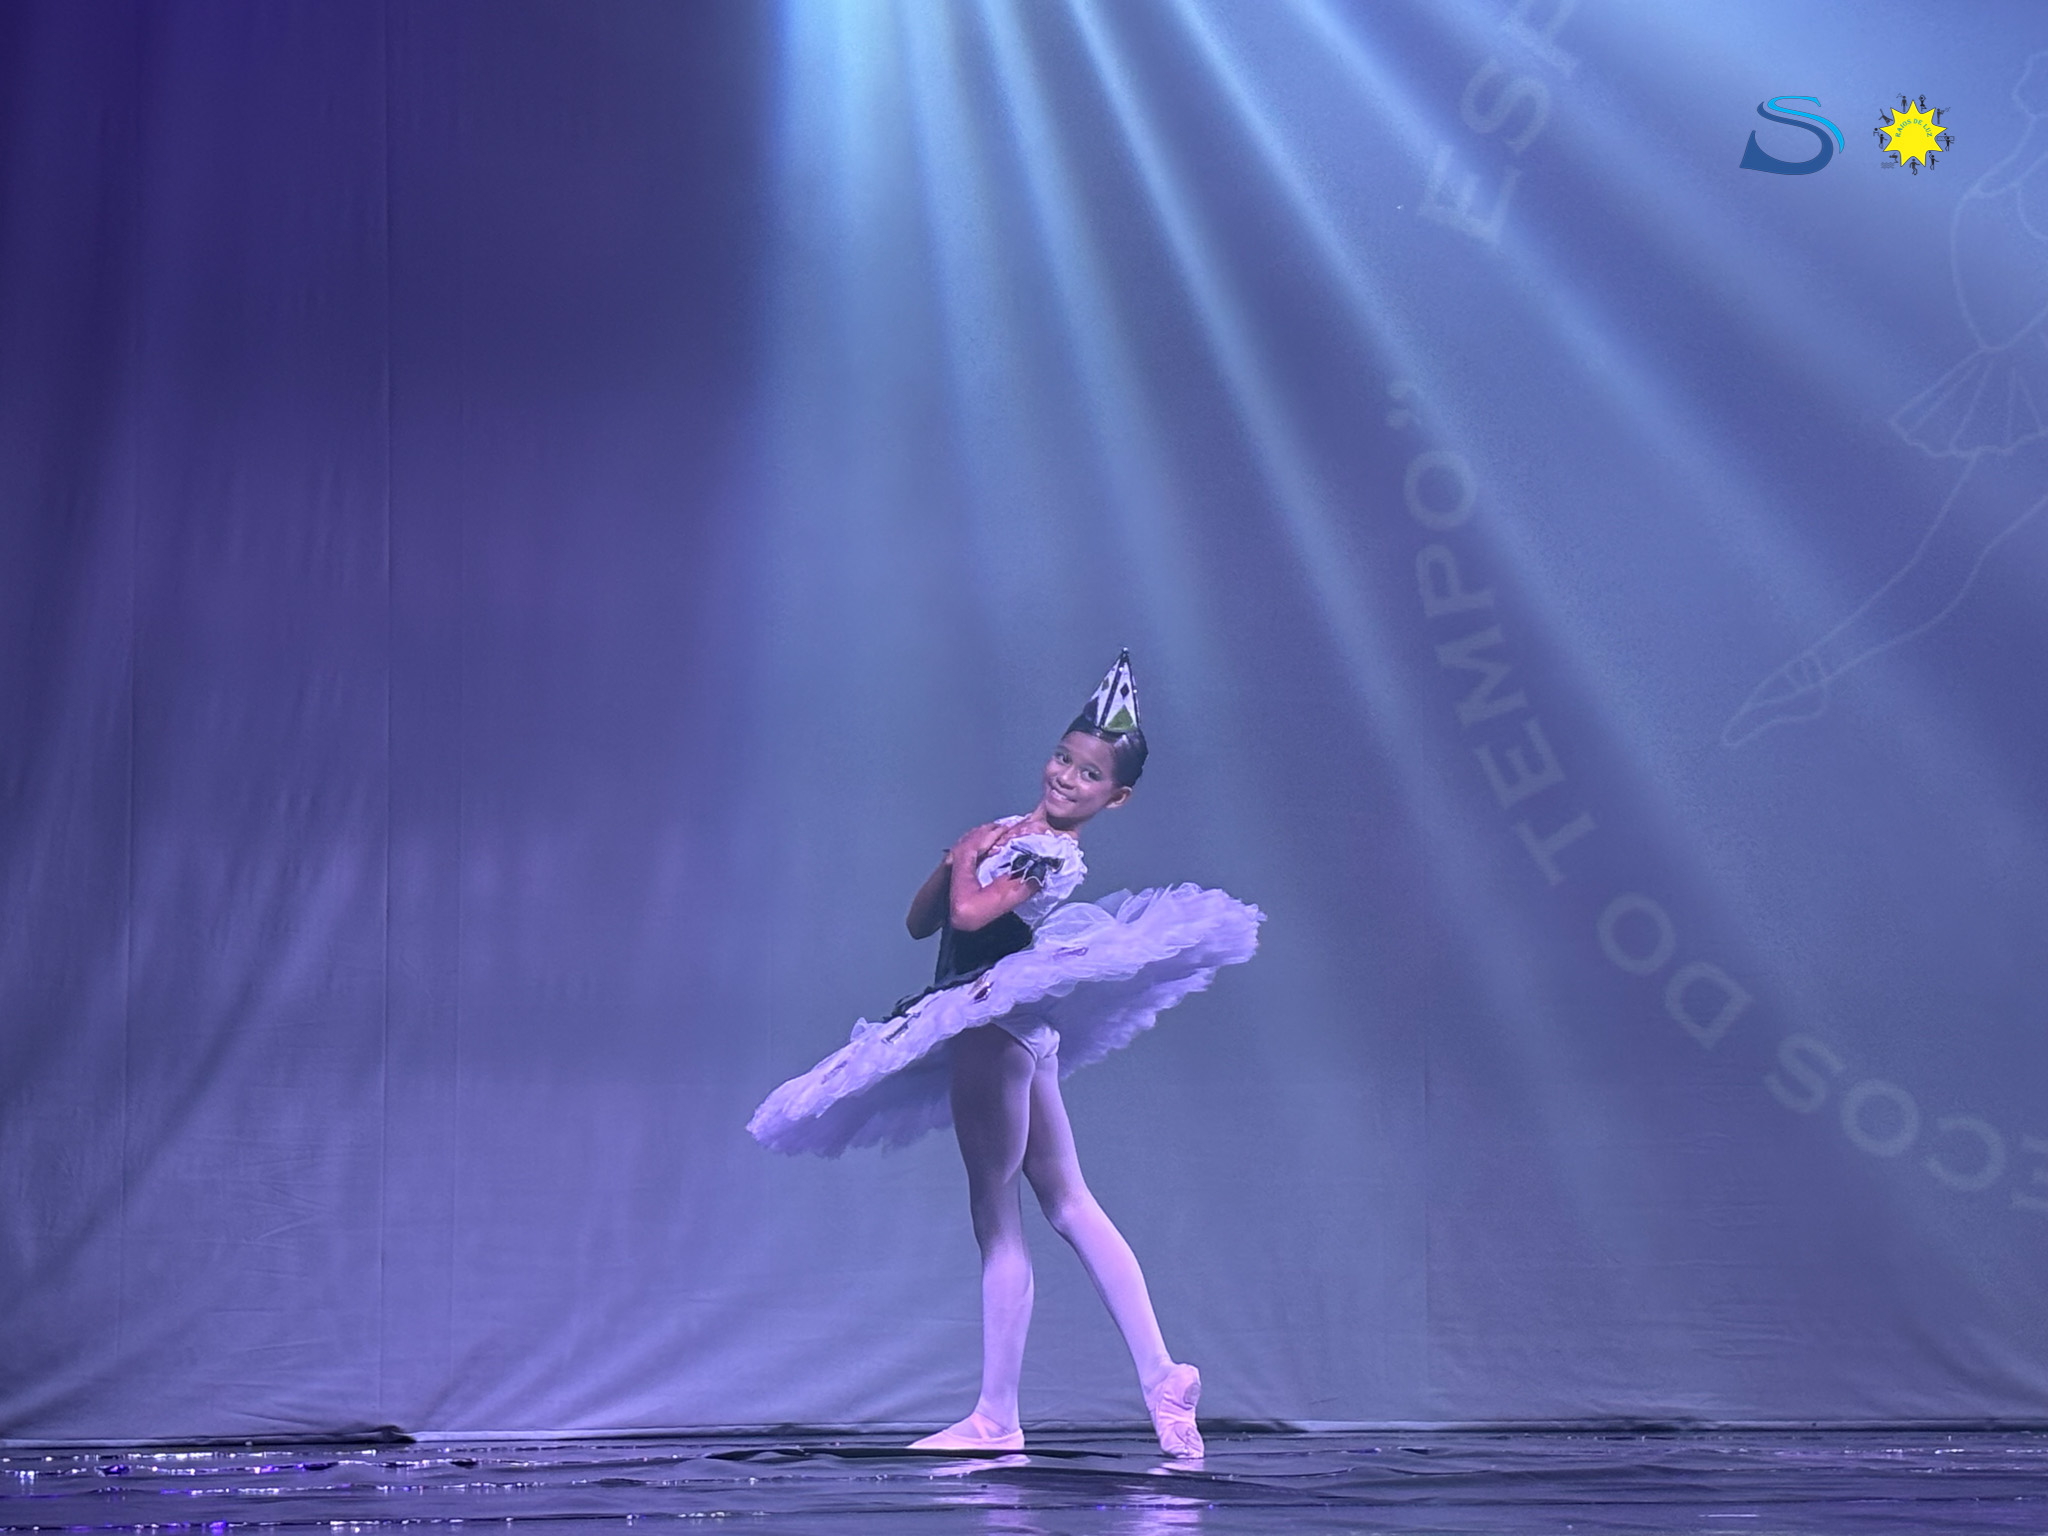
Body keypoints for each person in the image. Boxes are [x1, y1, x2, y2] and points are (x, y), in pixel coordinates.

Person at [748, 652, 1262, 1458]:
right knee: (1068, 1201)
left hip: (994, 1021)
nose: (1067, 777)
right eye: (1063, 757)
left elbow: (973, 912)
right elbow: (923, 922)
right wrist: (952, 853)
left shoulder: (1050, 855)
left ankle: (996, 1416)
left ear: (1115, 797)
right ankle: (1162, 1374)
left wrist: (966, 858)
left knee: (997, 1218)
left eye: (1089, 775)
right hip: (1013, 1024)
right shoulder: (1011, 832)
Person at [1725, 58, 2048, 746]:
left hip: (2013, 391)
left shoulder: (2003, 188)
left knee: (1951, 556)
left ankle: (1809, 673)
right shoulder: (2005, 187)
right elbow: (1983, 285)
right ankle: (1809, 673)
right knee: (1945, 555)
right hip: (2017, 395)